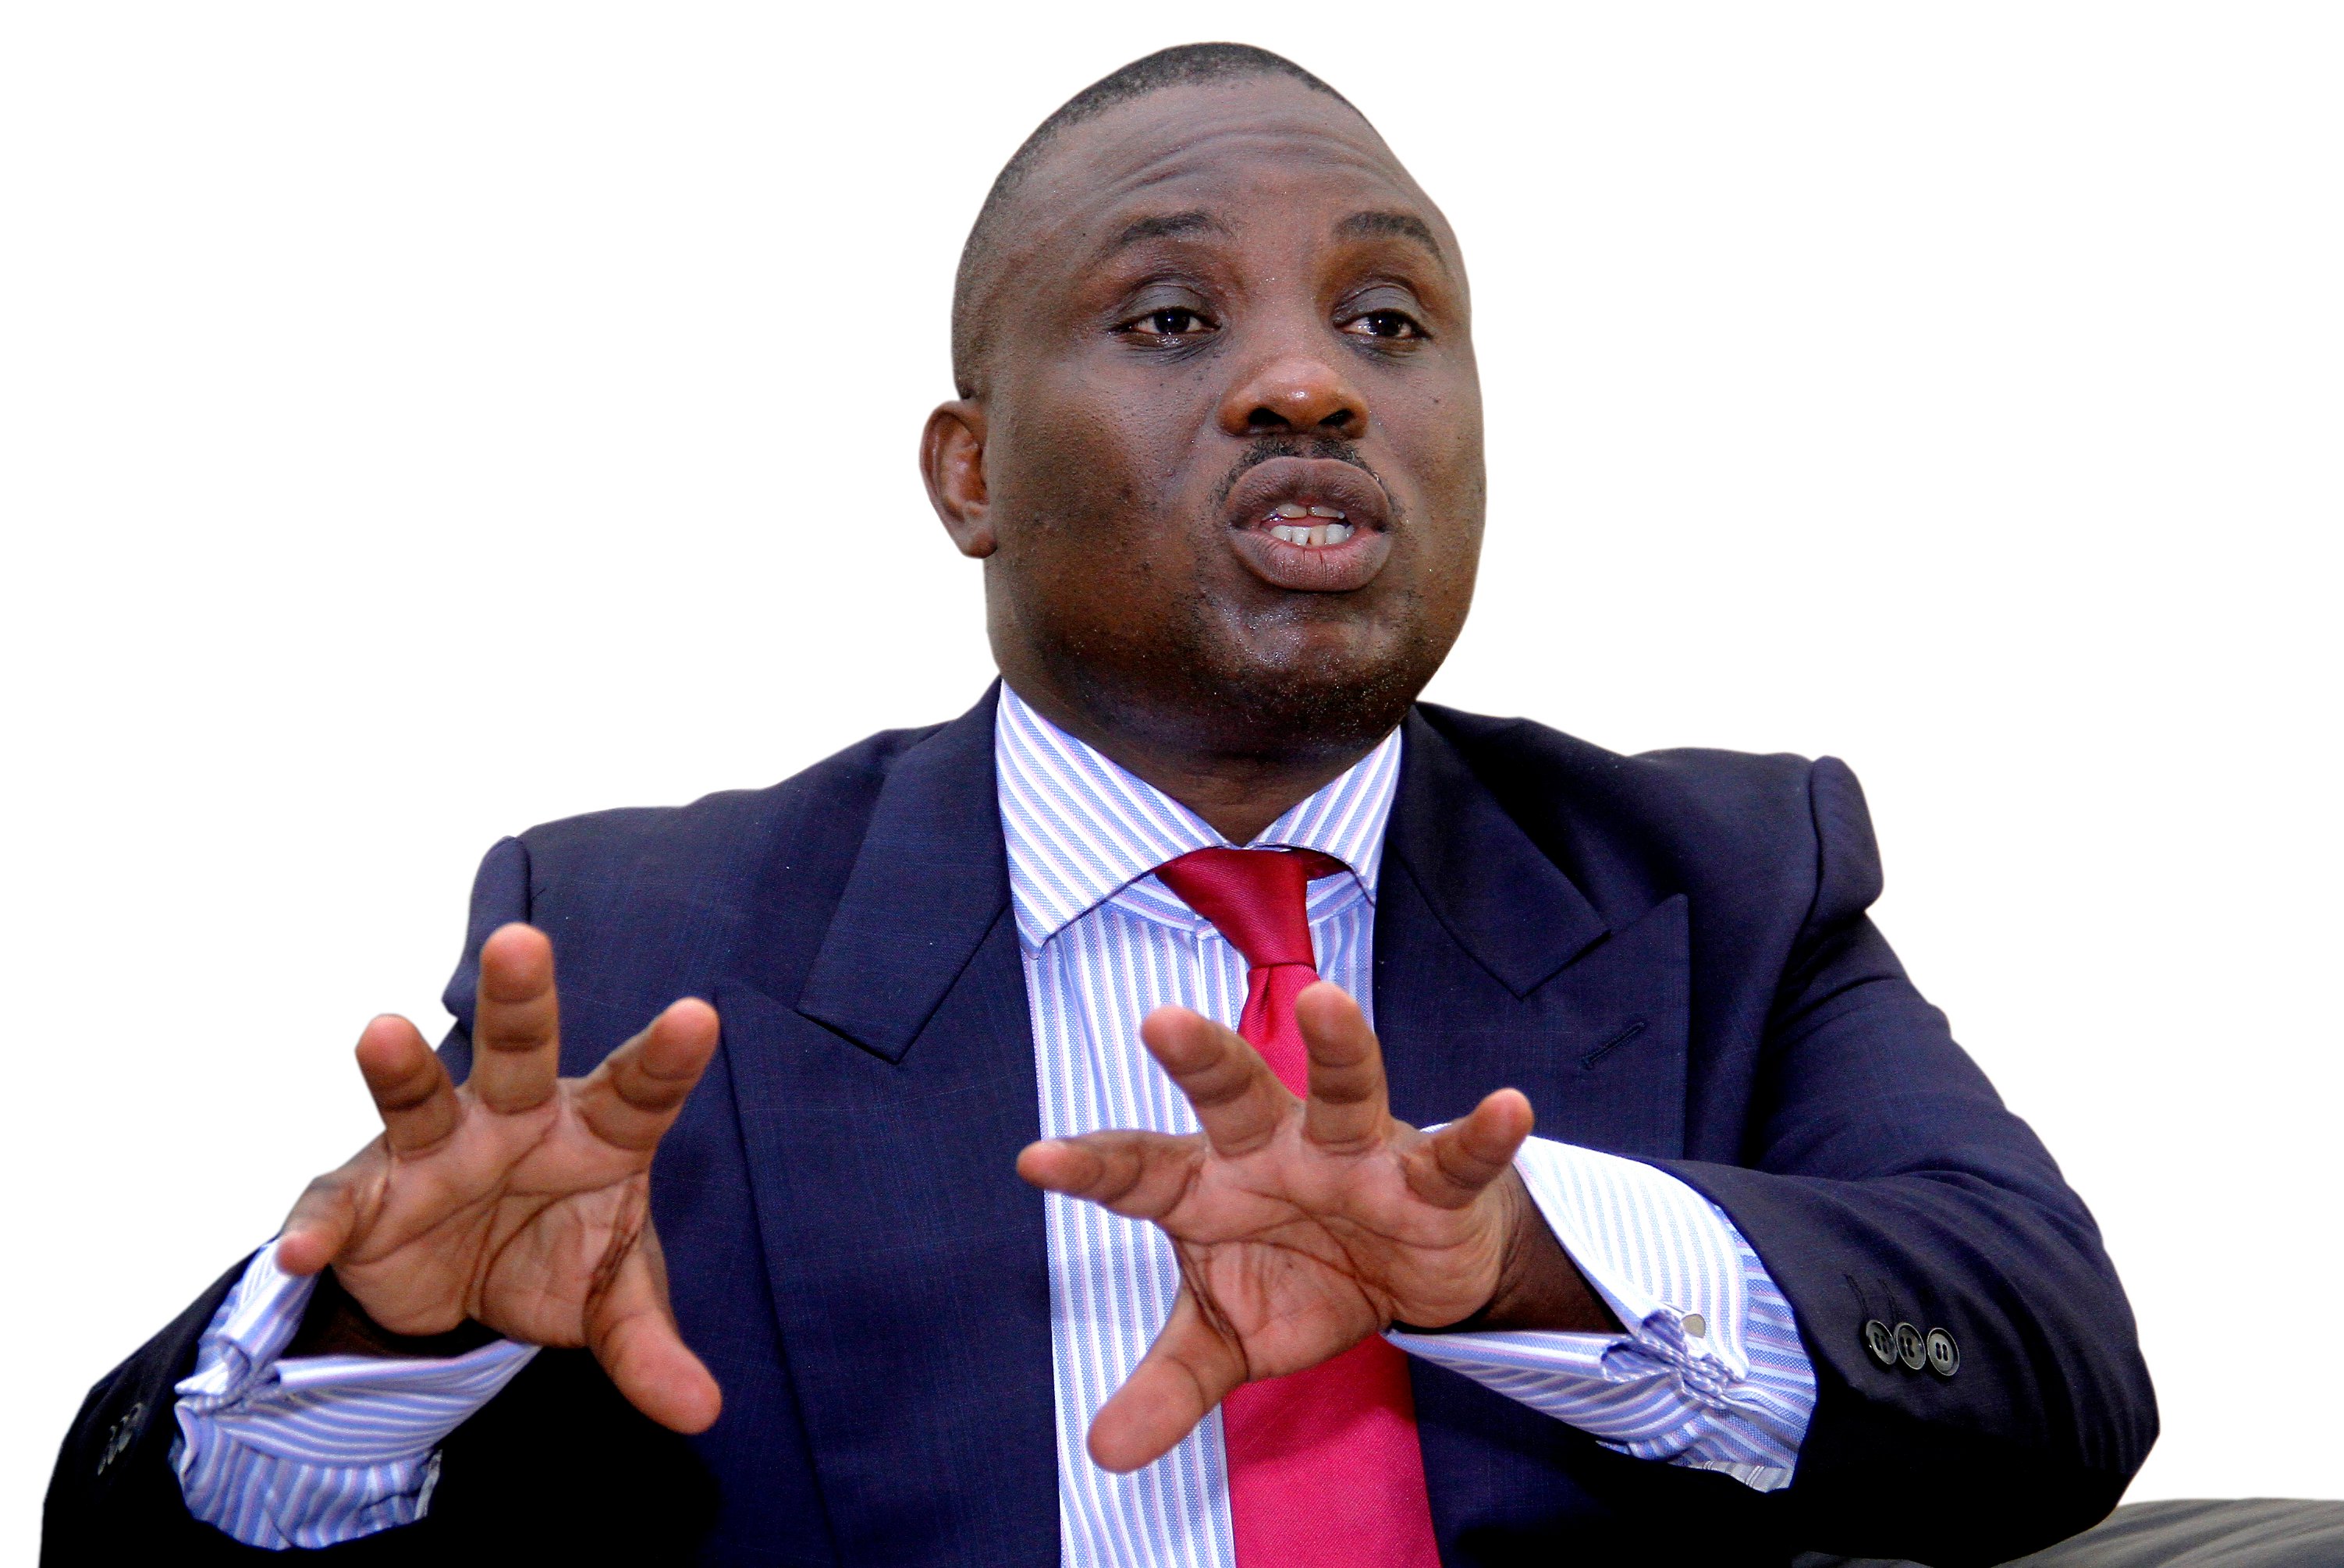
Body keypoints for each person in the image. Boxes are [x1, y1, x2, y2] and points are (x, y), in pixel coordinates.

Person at [44, 43, 2161, 1568]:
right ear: (968, 471)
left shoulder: (1723, 879)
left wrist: (1523, 1259)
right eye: (1171, 316)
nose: (1310, 382)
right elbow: (128, 1530)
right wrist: (374, 1345)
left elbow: (2052, 1368)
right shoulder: (648, 945)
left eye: (1388, 318)